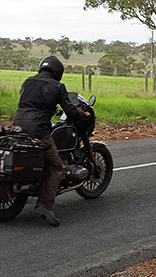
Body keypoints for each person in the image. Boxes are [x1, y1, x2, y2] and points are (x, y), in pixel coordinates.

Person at [13, 56, 90, 226]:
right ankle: (44, 206)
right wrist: (82, 115)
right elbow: (69, 109)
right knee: (56, 166)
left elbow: (33, 102)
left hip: (18, 125)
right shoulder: (57, 86)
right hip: (38, 129)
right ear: (58, 72)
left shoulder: (28, 81)